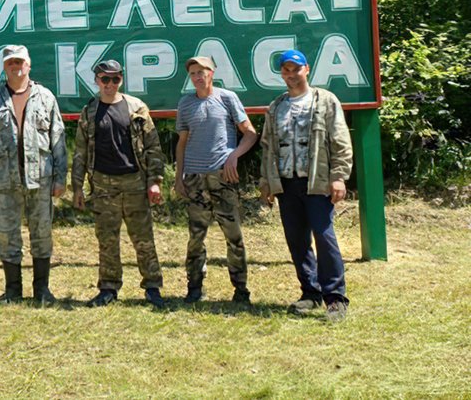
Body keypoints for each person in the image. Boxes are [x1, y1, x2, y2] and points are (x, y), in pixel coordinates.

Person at [259, 50, 354, 321]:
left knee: (324, 238)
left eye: (295, 69)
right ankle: (309, 294)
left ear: (306, 69)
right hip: (286, 183)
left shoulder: (324, 100)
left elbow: (340, 141)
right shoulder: (276, 106)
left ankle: (335, 299)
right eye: (285, 70)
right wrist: (266, 181)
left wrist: (339, 176)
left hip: (317, 182)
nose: (291, 74)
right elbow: (267, 148)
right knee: (297, 241)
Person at [0, 45, 67, 306]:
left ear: (29, 65)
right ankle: (13, 290)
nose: (16, 66)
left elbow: (58, 138)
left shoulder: (46, 98)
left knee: (42, 233)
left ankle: (42, 291)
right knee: (6, 234)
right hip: (4, 181)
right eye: (10, 62)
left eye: (20, 62)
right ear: (4, 67)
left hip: (41, 179)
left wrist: (61, 176)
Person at [71, 60, 167, 308]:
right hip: (103, 187)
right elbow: (80, 152)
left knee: (144, 239)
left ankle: (153, 288)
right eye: (105, 79)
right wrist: (78, 187)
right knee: (107, 241)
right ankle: (108, 289)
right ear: (96, 80)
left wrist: (154, 181)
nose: (110, 84)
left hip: (135, 183)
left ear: (121, 81)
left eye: (115, 79)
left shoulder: (136, 108)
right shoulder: (89, 112)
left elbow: (153, 147)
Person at [174, 56, 258, 304]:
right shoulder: (186, 104)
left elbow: (250, 134)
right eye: (193, 73)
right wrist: (179, 177)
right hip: (195, 180)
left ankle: (240, 289)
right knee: (196, 236)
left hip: (223, 178)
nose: (198, 76)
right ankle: (195, 287)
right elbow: (182, 142)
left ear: (212, 73)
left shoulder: (227, 98)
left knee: (234, 236)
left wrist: (234, 156)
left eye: (202, 71)